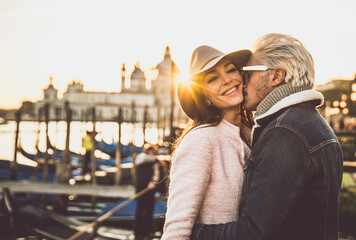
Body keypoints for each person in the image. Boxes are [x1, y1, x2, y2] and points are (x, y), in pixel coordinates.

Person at [191, 33, 343, 240]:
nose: (241, 83)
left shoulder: (285, 134)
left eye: (247, 74)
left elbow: (252, 233)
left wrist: (193, 232)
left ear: (275, 76)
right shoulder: (316, 125)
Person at [161, 45, 253, 239]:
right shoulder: (201, 140)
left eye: (230, 70)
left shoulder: (249, 136)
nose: (227, 79)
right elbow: (177, 227)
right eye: (213, 79)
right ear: (204, 97)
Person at [134, 143, 161, 240]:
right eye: (150, 150)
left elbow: (155, 176)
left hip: (150, 189)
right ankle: (138, 233)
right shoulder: (142, 157)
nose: (151, 152)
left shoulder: (153, 163)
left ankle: (148, 232)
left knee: (149, 210)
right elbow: (152, 158)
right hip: (141, 188)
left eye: (152, 150)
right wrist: (159, 159)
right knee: (141, 210)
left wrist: (153, 183)